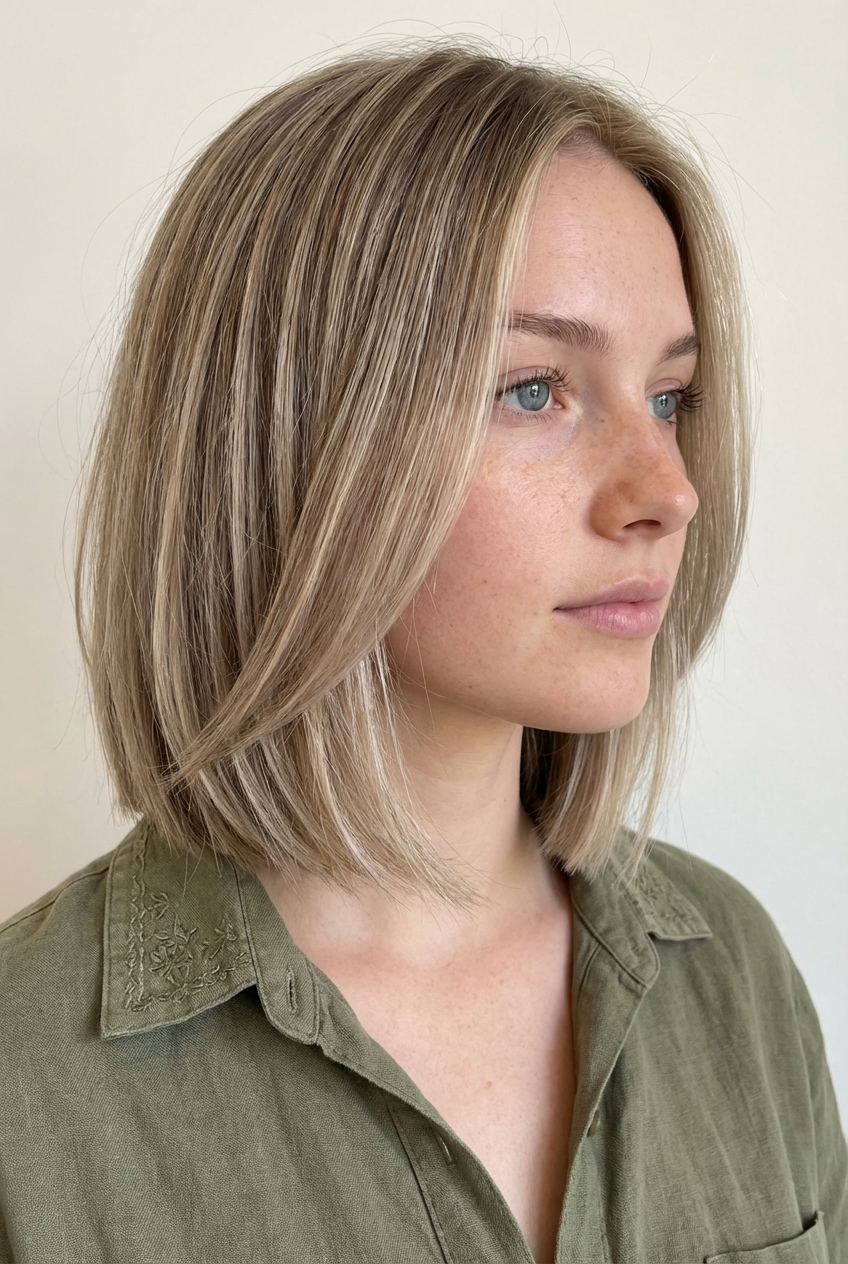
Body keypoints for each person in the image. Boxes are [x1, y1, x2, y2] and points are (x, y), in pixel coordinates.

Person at [0, 41, 844, 1264]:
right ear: (293, 438)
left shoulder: (734, 975)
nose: (665, 489)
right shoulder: (27, 1087)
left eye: (668, 397)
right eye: (534, 389)